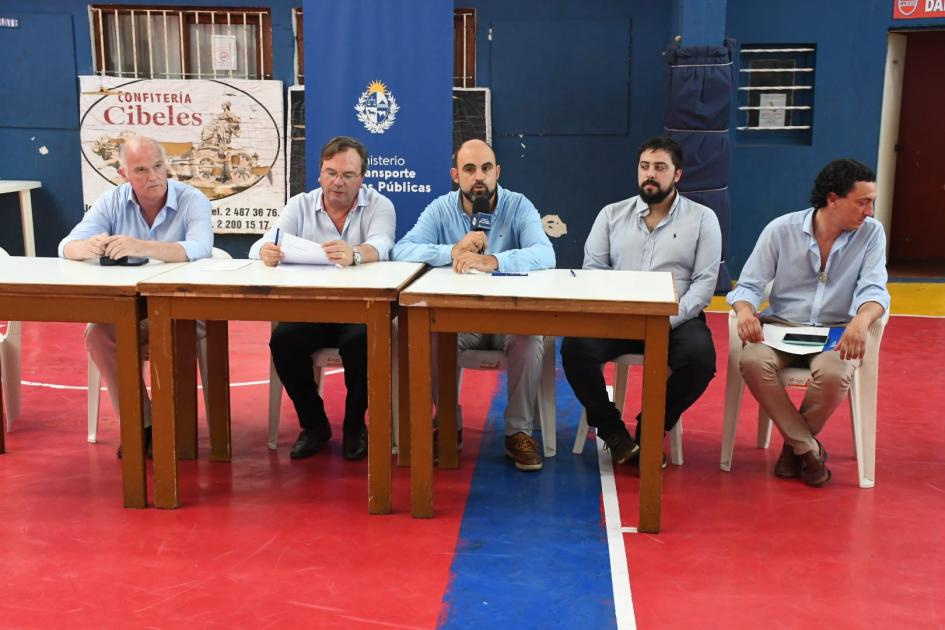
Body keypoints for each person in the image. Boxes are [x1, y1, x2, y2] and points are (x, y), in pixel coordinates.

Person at [392, 139, 555, 471]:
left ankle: (518, 432)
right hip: (460, 320)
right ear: (456, 175)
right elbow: (402, 250)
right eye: (469, 169)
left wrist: (494, 260)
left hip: (509, 317)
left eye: (485, 168)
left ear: (498, 172)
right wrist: (452, 251)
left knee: (529, 337)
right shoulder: (441, 209)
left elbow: (545, 253)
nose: (478, 177)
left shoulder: (518, 205)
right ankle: (449, 423)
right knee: (432, 334)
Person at [728, 158, 889, 487]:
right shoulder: (780, 230)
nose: (870, 211)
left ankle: (795, 448)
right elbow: (748, 286)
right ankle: (807, 448)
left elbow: (875, 289)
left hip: (835, 334)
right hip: (781, 329)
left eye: (871, 202)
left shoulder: (872, 234)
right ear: (833, 199)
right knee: (753, 360)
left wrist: (862, 320)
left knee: (834, 373)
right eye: (863, 202)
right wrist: (745, 311)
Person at [561, 136, 721, 465]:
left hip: (677, 320)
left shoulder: (703, 219)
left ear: (677, 174)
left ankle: (651, 428)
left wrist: (665, 319)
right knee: (575, 349)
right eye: (645, 166)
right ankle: (613, 433)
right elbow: (593, 270)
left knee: (701, 362)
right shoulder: (611, 215)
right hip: (620, 316)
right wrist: (620, 314)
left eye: (660, 168)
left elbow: (704, 284)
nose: (650, 174)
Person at [59, 135, 213, 456]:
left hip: (185, 310)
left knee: (174, 332)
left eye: (158, 166)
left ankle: (173, 425)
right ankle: (142, 424)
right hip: (133, 310)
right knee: (98, 333)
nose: (153, 176)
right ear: (123, 174)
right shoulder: (111, 201)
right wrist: (89, 246)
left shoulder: (192, 199)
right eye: (141, 170)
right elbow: (66, 246)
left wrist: (140, 246)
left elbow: (200, 248)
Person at [249, 136, 395, 461]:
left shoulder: (379, 205)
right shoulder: (299, 204)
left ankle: (355, 425)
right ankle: (314, 425)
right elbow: (262, 243)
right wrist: (266, 251)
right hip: (310, 310)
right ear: (319, 174)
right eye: (330, 173)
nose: (337, 183)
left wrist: (355, 254)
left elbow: (383, 244)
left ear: (362, 177)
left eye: (347, 175)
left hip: (360, 312)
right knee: (283, 341)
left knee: (362, 342)